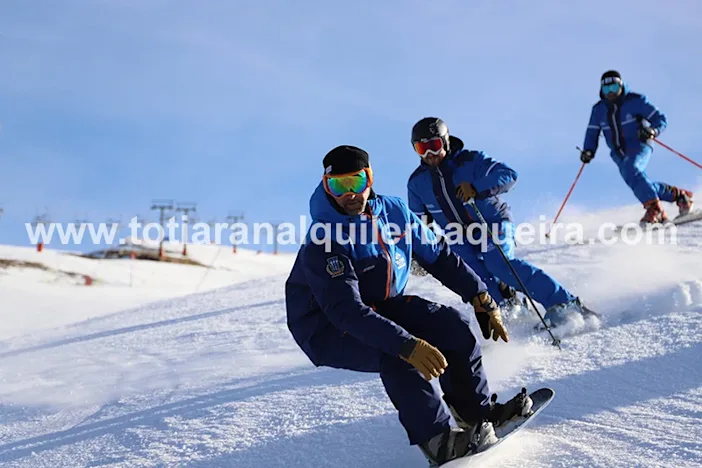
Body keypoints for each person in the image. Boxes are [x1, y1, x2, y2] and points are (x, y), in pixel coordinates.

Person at [285, 145, 532, 466]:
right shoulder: (324, 238)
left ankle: (476, 415)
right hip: (326, 326)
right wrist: (407, 344)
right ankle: (439, 441)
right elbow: (344, 310)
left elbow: (438, 255)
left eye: (356, 182)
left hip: (381, 304)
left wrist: (479, 296)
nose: (349, 194)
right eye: (338, 185)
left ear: (369, 179)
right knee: (396, 355)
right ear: (326, 184)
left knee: (452, 326)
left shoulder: (394, 211)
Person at [407, 117, 595, 328]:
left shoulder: (470, 161)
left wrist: (477, 188)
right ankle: (509, 306)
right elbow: (418, 224)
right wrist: (418, 255)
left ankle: (564, 304)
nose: (430, 154)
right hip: (458, 235)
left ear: (446, 141)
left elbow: (508, 175)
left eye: (434, 146)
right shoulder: (417, 183)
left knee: (499, 264)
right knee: (474, 278)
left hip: (491, 221)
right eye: (422, 148)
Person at [580, 70, 694, 224]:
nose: (611, 93)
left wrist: (652, 130)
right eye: (607, 89)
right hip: (618, 153)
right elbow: (592, 132)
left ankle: (655, 210)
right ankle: (679, 196)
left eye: (614, 87)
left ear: (621, 85)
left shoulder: (635, 101)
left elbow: (660, 119)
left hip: (639, 145)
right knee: (637, 181)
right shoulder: (599, 110)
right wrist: (588, 150)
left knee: (631, 169)